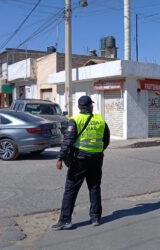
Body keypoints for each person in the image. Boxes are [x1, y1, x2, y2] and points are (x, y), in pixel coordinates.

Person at [52, 96, 110, 230]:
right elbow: (106, 139)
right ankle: (95, 217)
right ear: (90, 106)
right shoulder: (100, 119)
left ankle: (65, 220)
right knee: (94, 187)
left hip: (79, 160)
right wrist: (97, 151)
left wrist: (60, 158)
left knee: (70, 189)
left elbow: (68, 140)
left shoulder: (75, 120)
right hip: (96, 159)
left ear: (79, 107)